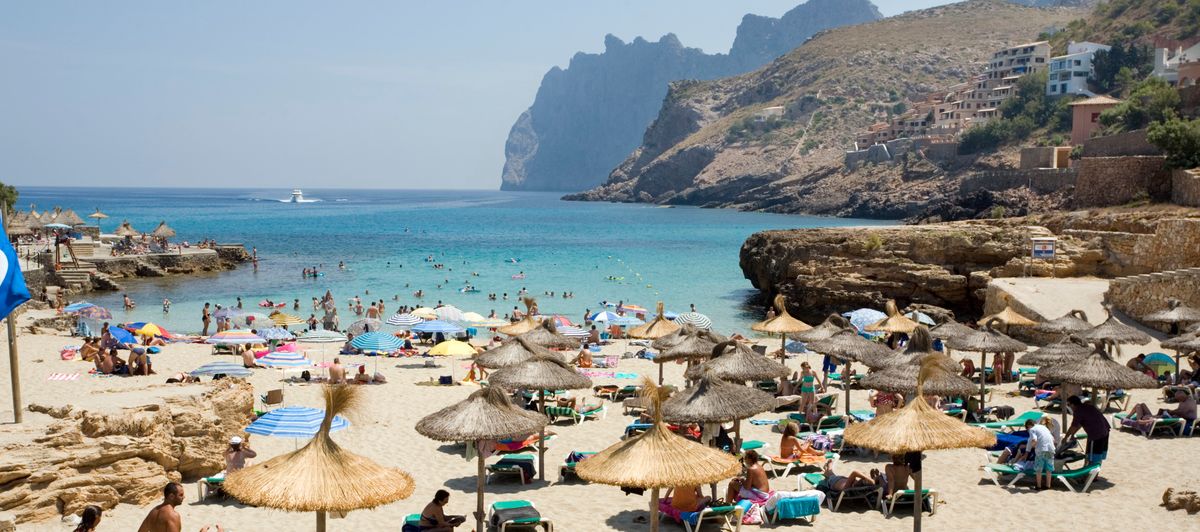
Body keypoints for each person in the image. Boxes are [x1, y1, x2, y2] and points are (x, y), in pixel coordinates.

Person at [138, 482, 223, 532]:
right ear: (171, 496)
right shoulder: (172, 515)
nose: (184, 497)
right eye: (181, 495)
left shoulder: (153, 511)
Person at [1064, 395, 1109, 464]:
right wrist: (1072, 434)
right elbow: (1080, 424)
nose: (1068, 406)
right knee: (1098, 455)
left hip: (1097, 434)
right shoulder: (1087, 406)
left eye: (1068, 404)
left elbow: (1073, 426)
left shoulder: (1078, 411)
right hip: (1105, 430)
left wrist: (1066, 437)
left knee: (1093, 456)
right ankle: (1094, 471)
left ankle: (1092, 473)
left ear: (1073, 404)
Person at [1027, 418, 1056, 490]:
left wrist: (1033, 446)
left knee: (1038, 469)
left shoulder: (1032, 429)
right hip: (1051, 448)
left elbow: (1034, 439)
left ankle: (1038, 486)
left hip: (1041, 449)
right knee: (1049, 468)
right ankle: (1047, 486)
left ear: (1029, 426)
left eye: (1027, 428)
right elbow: (1053, 439)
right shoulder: (1044, 427)